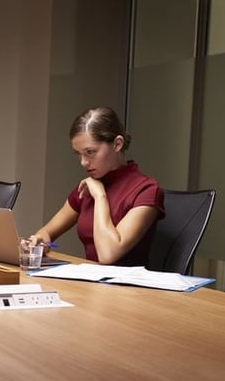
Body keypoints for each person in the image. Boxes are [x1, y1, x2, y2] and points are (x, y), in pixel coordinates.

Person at [28, 107, 164, 266]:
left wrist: (100, 196)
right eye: (78, 154)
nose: (83, 162)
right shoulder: (88, 186)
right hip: (91, 283)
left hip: (129, 288)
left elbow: (108, 254)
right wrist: (38, 242)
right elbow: (46, 232)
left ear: (117, 144)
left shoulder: (147, 190)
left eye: (90, 152)